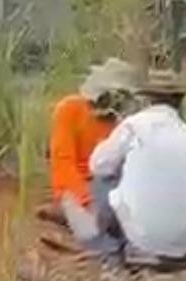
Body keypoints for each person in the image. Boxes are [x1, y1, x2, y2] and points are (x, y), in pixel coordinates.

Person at [89, 72, 186, 269]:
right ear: (179, 104)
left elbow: (97, 165)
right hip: (181, 250)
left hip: (140, 243)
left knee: (103, 178)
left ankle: (112, 253)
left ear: (145, 101)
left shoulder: (133, 126)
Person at [48, 59, 139, 260]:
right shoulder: (69, 110)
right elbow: (63, 162)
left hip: (115, 187)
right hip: (82, 186)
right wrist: (86, 200)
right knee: (90, 230)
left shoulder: (131, 121)